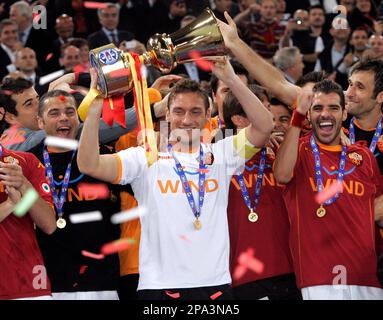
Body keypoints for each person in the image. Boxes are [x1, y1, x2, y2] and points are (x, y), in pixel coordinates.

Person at [77, 62, 273, 299]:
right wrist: (96, 105)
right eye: (179, 111)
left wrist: (231, 80)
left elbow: (265, 126)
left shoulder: (222, 154)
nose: (186, 119)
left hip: (215, 284)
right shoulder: (145, 158)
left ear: (207, 114)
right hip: (159, 286)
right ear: (167, 114)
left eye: (195, 111)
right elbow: (89, 164)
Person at [274, 79, 383, 300]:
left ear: (344, 114)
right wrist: (297, 117)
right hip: (319, 277)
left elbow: (378, 211)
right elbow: (282, 174)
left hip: (365, 276)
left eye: (333, 108)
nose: (325, 114)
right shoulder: (299, 149)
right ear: (309, 115)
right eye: (317, 108)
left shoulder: (364, 157)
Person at [28, 89, 121, 300]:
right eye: (54, 113)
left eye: (70, 112)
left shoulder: (101, 157)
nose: (64, 118)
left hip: (101, 279)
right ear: (40, 122)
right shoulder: (28, 163)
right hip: (47, 280)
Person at [224, 87, 301, 300]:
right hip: (243, 277)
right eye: (262, 111)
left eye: (269, 110)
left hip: (290, 271)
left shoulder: (280, 154)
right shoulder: (217, 157)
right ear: (238, 119)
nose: (271, 120)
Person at [0, 75, 165, 152]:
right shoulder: (12, 145)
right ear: (8, 116)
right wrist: (154, 109)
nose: (40, 106)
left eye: (38, 99)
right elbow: (91, 130)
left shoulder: (35, 132)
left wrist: (75, 76)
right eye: (29, 104)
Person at [0, 91, 56, 299]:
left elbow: (49, 225)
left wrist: (24, 184)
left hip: (29, 287)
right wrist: (9, 206)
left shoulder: (27, 162)